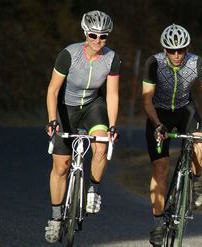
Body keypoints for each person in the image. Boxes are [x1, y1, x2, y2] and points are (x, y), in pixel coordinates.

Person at [142, 24, 202, 246]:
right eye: (171, 50)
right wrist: (157, 124)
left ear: (188, 48)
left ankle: (196, 181)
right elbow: (147, 100)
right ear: (164, 49)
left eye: (182, 50)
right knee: (160, 169)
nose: (177, 55)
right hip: (158, 114)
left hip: (184, 110)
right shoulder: (154, 63)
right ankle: (159, 223)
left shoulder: (197, 62)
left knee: (200, 143)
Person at [44, 10, 120, 243]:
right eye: (93, 35)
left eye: (103, 36)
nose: (98, 40)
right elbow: (52, 90)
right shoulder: (69, 54)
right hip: (66, 107)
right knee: (61, 166)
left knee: (100, 146)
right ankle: (56, 219)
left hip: (92, 106)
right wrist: (52, 119)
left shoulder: (111, 58)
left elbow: (113, 95)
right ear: (85, 33)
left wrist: (113, 126)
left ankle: (93, 191)